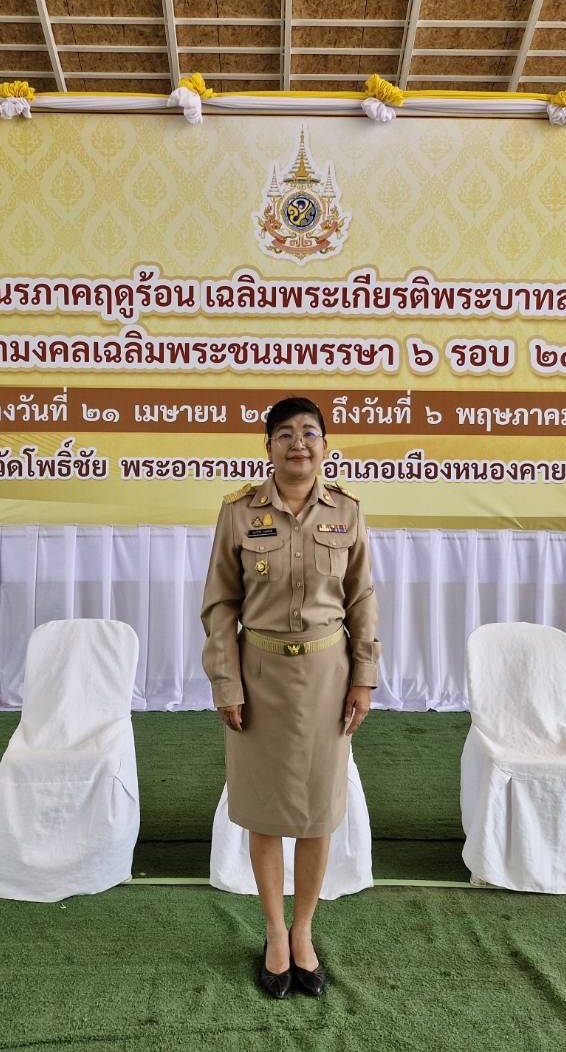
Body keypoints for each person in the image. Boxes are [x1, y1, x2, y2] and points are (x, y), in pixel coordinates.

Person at [200, 397, 380, 999]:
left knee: (317, 808)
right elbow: (220, 605)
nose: (298, 443)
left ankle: (304, 932)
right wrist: (226, 682)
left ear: (325, 446)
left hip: (328, 676)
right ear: (268, 447)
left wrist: (363, 677)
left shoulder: (347, 512)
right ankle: (275, 933)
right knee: (265, 808)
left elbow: (362, 599)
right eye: (284, 434)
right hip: (260, 676)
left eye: (309, 433)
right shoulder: (238, 513)